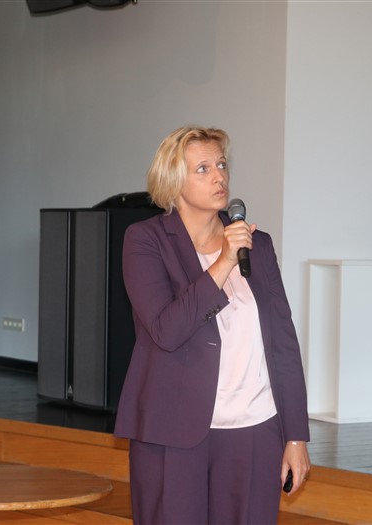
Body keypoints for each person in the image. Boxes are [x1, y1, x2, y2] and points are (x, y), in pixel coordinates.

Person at [114, 126, 310, 525]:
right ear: (173, 182)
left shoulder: (258, 245)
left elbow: (283, 343)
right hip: (173, 431)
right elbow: (167, 330)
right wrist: (224, 262)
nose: (219, 176)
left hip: (254, 430)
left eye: (221, 165)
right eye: (202, 168)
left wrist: (295, 436)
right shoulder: (146, 241)